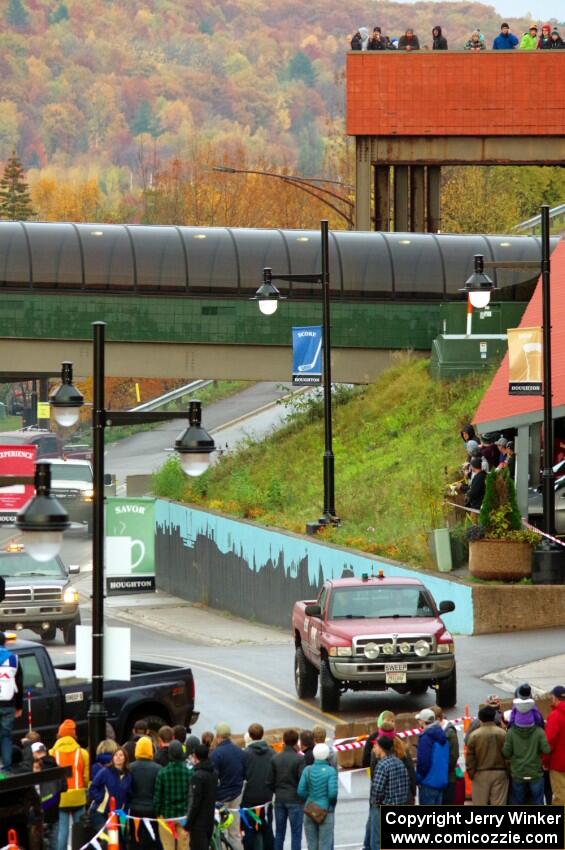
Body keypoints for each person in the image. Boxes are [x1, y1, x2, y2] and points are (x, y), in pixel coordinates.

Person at [49, 719, 90, 850]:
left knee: (62, 832)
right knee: (80, 831)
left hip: (61, 798)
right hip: (79, 797)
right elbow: (85, 777)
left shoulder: (52, 753)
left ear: (59, 734)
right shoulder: (82, 753)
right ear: (74, 735)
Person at [503, 704, 550, 804]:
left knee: (517, 801)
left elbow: (506, 752)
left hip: (518, 772)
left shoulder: (511, 732)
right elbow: (546, 750)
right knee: (538, 801)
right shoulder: (539, 732)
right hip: (535, 772)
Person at [369, 737, 410, 850]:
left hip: (383, 807)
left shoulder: (382, 765)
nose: (374, 749)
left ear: (381, 748)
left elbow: (377, 790)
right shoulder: (400, 763)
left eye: (375, 746)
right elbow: (406, 786)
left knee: (377, 842)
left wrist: (375, 803)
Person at [210, 722, 246, 850]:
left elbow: (213, 778)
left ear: (219, 736)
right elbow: (245, 773)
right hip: (237, 796)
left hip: (221, 798)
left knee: (221, 832)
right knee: (235, 831)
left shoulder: (216, 754)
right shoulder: (240, 752)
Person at [268, 728, 305, 850]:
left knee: (279, 833)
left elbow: (269, 781)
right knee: (296, 834)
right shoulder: (299, 759)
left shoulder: (275, 758)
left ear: (283, 741)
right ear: (296, 742)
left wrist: (277, 791)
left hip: (279, 799)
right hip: (295, 800)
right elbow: (302, 781)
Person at [298, 743, 338, 850]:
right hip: (326, 811)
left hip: (310, 809)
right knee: (325, 845)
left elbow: (300, 791)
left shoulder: (307, 770)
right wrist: (330, 805)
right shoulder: (331, 771)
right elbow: (332, 794)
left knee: (312, 845)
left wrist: (310, 798)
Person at [466, 705, 509, 805]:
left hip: (480, 774)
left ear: (480, 719)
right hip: (500, 772)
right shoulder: (503, 734)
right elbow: (508, 755)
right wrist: (507, 771)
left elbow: (470, 758)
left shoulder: (474, 735)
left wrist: (472, 773)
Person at [242, 723, 275, 850]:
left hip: (249, 798)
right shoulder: (272, 753)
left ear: (250, 736)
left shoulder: (245, 755)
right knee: (267, 828)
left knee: (249, 830)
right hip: (267, 798)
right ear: (262, 735)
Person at [154, 740, 190, 850]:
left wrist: (158, 812)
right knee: (183, 847)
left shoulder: (162, 773)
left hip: (167, 816)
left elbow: (158, 797)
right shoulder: (190, 773)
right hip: (184, 815)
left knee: (168, 847)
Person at [88, 747, 132, 835]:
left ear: (125, 758)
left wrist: (125, 811)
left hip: (118, 814)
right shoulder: (105, 772)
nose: (118, 757)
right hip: (100, 812)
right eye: (115, 755)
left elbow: (128, 796)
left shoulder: (128, 776)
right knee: (108, 838)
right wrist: (101, 798)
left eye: (121, 755)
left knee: (118, 841)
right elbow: (93, 787)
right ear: (112, 758)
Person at [129, 736, 162, 849]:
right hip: (152, 810)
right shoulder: (158, 768)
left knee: (135, 838)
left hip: (134, 809)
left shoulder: (130, 767)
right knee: (151, 839)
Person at [33, 742, 65, 850]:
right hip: (54, 810)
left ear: (35, 753)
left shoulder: (36, 767)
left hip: (40, 814)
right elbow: (64, 787)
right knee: (54, 843)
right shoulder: (56, 765)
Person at [186, 743, 217, 850]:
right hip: (209, 820)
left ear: (195, 756)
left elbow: (195, 802)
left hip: (198, 824)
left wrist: (188, 823)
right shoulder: (213, 772)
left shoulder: (197, 776)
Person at [0, 631, 23, 774]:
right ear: (4, 642)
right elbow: (19, 684)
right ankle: (6, 768)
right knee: (6, 736)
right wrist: (19, 706)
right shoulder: (14, 659)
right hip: (8, 705)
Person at [415, 708, 449, 804]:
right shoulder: (442, 735)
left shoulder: (426, 737)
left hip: (428, 783)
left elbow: (423, 762)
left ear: (422, 721)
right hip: (441, 781)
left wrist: (418, 778)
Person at [431, 706, 459, 804]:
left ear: (438, 719)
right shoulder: (437, 731)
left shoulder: (450, 733)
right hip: (438, 777)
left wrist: (442, 769)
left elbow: (454, 756)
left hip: (448, 778)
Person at [544, 685, 565, 805]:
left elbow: (549, 742)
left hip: (559, 764)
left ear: (554, 698)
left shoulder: (555, 716)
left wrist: (545, 761)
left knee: (560, 796)